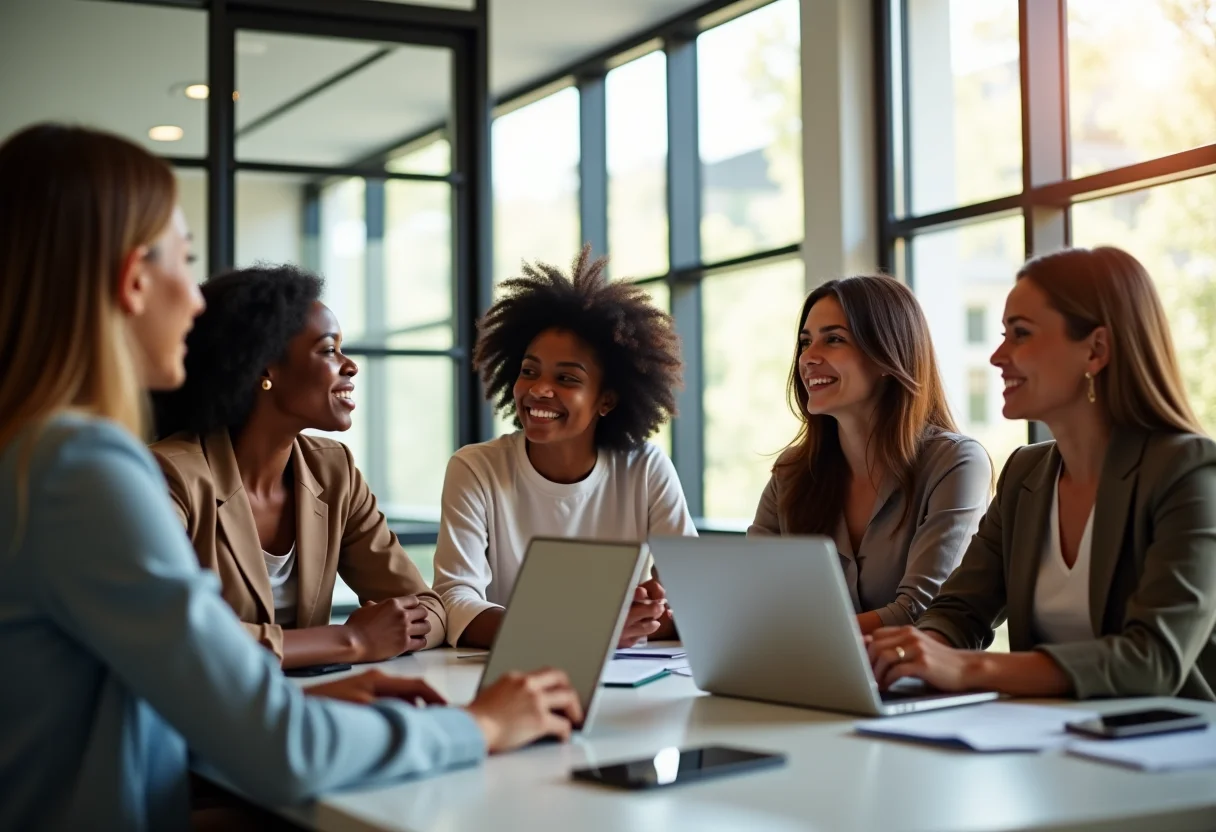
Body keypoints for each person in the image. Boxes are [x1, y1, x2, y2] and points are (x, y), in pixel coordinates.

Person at [0, 123, 580, 832]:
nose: (195, 300)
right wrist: (484, 725)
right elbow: (284, 752)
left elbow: (144, 700)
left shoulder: (32, 458)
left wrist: (310, 700)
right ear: (133, 280)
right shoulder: (83, 471)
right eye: (185, 259)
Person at [868, 246, 1216, 700]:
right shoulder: (1025, 473)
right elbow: (960, 609)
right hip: (1047, 741)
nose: (997, 356)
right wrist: (912, 652)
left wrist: (967, 667)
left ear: (1096, 350)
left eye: (1021, 334)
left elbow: (1151, 659)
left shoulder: (1188, 472)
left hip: (1168, 749)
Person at [150, 266, 444, 669]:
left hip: (312, 704)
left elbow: (429, 607)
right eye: (327, 350)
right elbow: (178, 633)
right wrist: (351, 639)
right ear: (265, 369)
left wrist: (396, 627)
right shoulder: (169, 477)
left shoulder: (332, 470)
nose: (350, 365)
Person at [433, 246, 696, 649]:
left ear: (606, 400)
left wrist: (649, 612)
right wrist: (584, 628)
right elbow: (455, 601)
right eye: (529, 371)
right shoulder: (476, 468)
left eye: (567, 379)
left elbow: (693, 599)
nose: (539, 389)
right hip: (512, 679)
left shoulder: (645, 468)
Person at [749, 275, 992, 635]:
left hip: (913, 684)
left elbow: (921, 610)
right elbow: (748, 596)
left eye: (833, 340)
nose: (808, 358)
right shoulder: (791, 474)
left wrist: (803, 635)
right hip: (807, 675)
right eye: (805, 342)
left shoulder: (956, 463)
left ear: (886, 355)